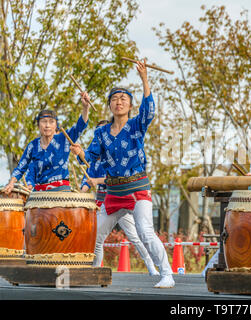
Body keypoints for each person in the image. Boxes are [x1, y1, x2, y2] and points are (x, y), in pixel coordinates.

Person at [70, 59, 174, 288]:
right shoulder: (101, 132)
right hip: (113, 193)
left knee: (145, 232)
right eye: (114, 99)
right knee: (95, 236)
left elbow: (150, 110)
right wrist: (80, 153)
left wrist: (144, 78)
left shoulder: (137, 125)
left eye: (123, 98)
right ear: (109, 105)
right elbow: (91, 159)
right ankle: (94, 274)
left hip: (137, 189)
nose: (118, 102)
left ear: (130, 105)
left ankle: (167, 274)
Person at [81, 120, 160, 276]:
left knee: (136, 236)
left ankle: (152, 266)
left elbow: (119, 177)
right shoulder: (94, 163)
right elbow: (86, 182)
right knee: (97, 239)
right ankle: (95, 271)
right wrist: (80, 192)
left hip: (120, 199)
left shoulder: (115, 157)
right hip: (103, 204)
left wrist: (97, 181)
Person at [4, 94, 90, 193]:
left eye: (51, 122)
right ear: (38, 125)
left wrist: (85, 107)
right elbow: (20, 167)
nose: (47, 125)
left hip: (61, 192)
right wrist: (11, 183)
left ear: (56, 125)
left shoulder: (64, 138)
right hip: (39, 195)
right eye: (44, 122)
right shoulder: (33, 145)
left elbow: (80, 126)